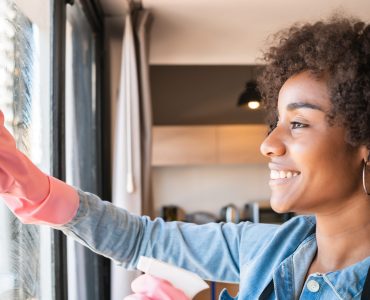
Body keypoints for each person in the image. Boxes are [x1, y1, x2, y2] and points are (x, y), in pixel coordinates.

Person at [1, 15, 370, 300]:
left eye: (299, 123)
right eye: (276, 122)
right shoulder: (270, 248)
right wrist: (38, 193)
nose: (268, 144)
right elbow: (142, 239)